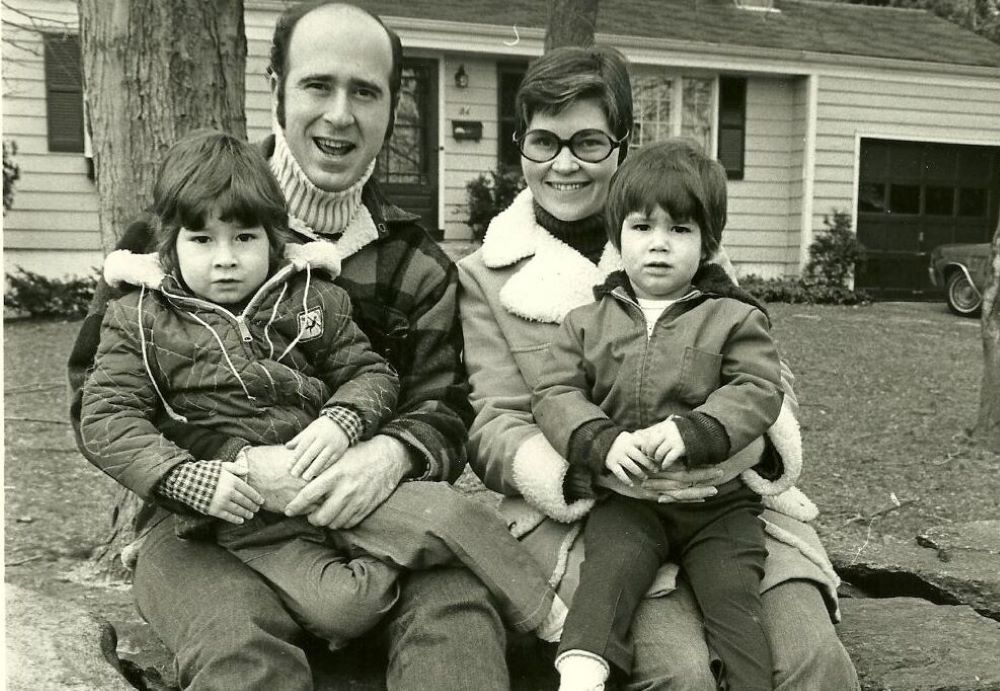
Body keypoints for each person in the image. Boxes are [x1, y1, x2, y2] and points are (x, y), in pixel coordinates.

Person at [68, 3, 512, 688]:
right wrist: (237, 468)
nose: (340, 113)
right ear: (275, 86)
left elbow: (446, 409)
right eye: (317, 85)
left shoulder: (417, 265)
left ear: (393, 107)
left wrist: (387, 454)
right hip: (202, 529)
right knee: (235, 640)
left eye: (365, 91)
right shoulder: (167, 240)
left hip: (362, 517)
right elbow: (94, 403)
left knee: (456, 606)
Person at [457, 44, 860, 689]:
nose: (564, 163)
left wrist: (731, 450)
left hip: (722, 499)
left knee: (811, 660)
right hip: (597, 516)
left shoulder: (685, 243)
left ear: (623, 143)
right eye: (543, 142)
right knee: (679, 673)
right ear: (521, 145)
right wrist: (596, 465)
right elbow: (495, 424)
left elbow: (763, 379)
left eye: (588, 142)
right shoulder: (486, 275)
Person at [79, 129, 564, 652]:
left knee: (450, 513)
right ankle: (402, 564)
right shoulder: (139, 319)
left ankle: (553, 624)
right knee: (345, 611)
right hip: (244, 514)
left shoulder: (313, 296)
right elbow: (107, 418)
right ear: (170, 243)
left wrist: (343, 420)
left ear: (273, 236)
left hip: (334, 478)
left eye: (244, 238)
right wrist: (191, 480)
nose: (225, 259)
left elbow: (372, 372)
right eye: (202, 240)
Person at [533, 142, 786, 690]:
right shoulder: (586, 321)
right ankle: (580, 673)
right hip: (627, 498)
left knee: (734, 600)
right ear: (617, 237)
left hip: (717, 505)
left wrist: (694, 431)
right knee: (607, 577)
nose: (659, 246)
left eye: (681, 230)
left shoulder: (734, 317)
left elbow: (758, 388)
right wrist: (600, 441)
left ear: (708, 242)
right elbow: (554, 393)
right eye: (643, 227)